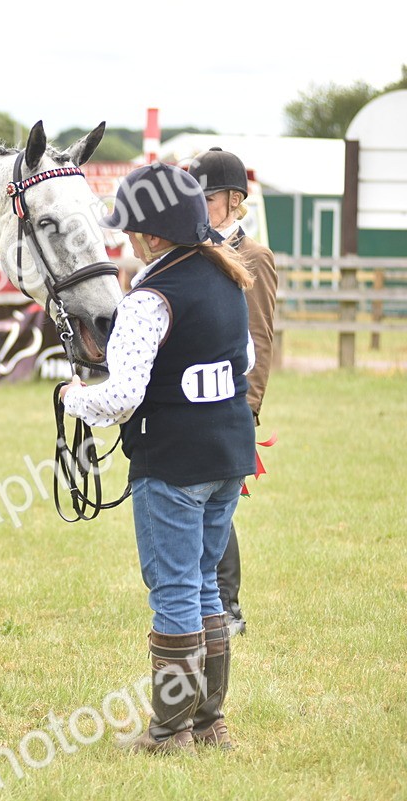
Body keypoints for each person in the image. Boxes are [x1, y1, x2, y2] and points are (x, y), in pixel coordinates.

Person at [61, 162, 256, 753]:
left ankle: (169, 732)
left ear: (151, 233)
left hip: (172, 464)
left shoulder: (150, 297)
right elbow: (240, 362)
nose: (125, 240)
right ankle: (209, 723)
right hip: (227, 457)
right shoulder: (229, 276)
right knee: (203, 587)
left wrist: (73, 398)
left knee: (173, 590)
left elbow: (121, 397)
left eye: (131, 231)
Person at [189, 148, 277, 638]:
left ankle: (229, 604)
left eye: (209, 195)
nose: (200, 203)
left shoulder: (254, 257)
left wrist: (250, 404)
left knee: (218, 504)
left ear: (234, 199)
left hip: (232, 398)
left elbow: (260, 336)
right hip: (190, 396)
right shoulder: (190, 249)